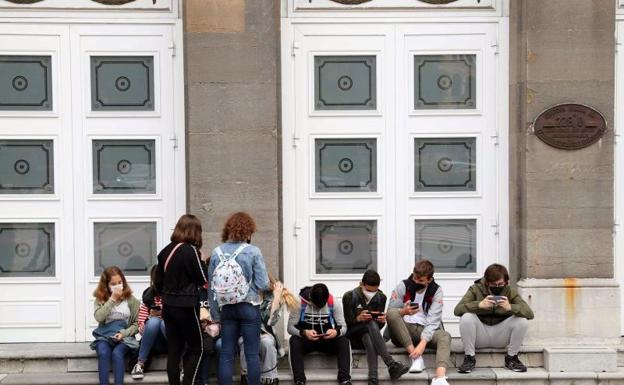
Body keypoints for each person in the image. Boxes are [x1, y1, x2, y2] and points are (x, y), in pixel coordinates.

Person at [208, 212, 270, 385]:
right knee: (251, 354)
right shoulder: (253, 251)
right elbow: (264, 283)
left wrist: (215, 316)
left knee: (226, 353)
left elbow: (211, 288)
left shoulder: (216, 252)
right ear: (248, 231)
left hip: (227, 308)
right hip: (249, 306)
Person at [154, 214, 208, 385]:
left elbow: (158, 282)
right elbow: (202, 279)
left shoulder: (165, 251)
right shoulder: (190, 251)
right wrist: (203, 261)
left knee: (174, 350)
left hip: (168, 306)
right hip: (186, 306)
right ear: (194, 232)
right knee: (197, 348)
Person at [454, 263, 534, 373]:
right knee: (467, 317)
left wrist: (510, 307)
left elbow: (530, 313)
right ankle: (469, 358)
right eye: (493, 284)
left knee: (522, 320)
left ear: (506, 282)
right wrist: (479, 305)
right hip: (479, 336)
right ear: (487, 282)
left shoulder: (510, 291)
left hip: (500, 336)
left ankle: (511, 358)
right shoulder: (475, 289)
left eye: (500, 284)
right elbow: (457, 310)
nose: (497, 287)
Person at [386, 259, 451, 385]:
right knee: (393, 313)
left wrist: (423, 343)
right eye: (415, 278)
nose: (416, 282)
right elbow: (390, 312)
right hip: (403, 329)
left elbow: (433, 321)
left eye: (420, 280)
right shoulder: (403, 285)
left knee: (445, 336)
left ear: (429, 280)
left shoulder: (436, 290)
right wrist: (403, 311)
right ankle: (416, 359)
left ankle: (440, 378)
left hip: (424, 329)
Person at [342, 270, 409, 385]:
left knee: (369, 330)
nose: (372, 293)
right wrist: (358, 318)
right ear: (361, 284)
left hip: (369, 336)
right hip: (353, 336)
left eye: (375, 291)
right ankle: (391, 364)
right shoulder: (349, 296)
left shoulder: (381, 297)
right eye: (368, 290)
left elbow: (378, 327)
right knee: (369, 324)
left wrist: (382, 321)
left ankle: (373, 379)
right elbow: (347, 323)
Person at [239, 274, 298, 385]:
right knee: (245, 341)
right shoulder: (243, 295)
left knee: (267, 342)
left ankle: (270, 379)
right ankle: (247, 377)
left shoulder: (271, 296)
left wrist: (276, 299)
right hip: (244, 333)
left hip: (265, 333)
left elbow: (270, 322)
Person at [288, 283, 351, 385]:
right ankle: (299, 380)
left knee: (344, 340)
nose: (318, 308)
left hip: (327, 341)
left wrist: (336, 332)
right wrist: (304, 332)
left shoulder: (333, 302)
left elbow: (344, 327)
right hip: (307, 341)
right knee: (294, 340)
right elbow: (290, 327)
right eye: (316, 305)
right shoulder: (299, 302)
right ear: (310, 298)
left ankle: (344, 379)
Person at [91, 266, 140, 385]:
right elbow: (99, 317)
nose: (117, 286)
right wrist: (112, 300)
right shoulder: (101, 299)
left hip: (125, 337)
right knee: (103, 353)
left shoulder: (131, 300)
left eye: (120, 282)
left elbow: (137, 324)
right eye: (113, 283)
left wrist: (123, 334)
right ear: (106, 285)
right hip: (105, 336)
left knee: (117, 354)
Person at [131, 265, 167, 380]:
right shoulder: (148, 296)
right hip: (154, 342)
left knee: (163, 323)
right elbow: (141, 328)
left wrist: (165, 315)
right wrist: (150, 317)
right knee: (154, 322)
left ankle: (182, 365)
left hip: (172, 340)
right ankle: (140, 364)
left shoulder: (174, 295)